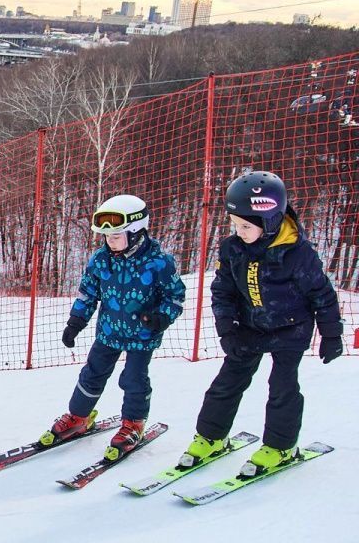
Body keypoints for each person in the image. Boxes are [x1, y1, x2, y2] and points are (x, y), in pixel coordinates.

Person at [182, 171, 343, 476]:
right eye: (235, 225)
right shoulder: (233, 249)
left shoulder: (298, 254)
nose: (238, 231)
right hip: (250, 326)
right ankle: (211, 438)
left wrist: (331, 335)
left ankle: (280, 446)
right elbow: (223, 291)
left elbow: (322, 295)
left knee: (282, 387)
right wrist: (227, 328)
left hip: (291, 329)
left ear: (269, 220)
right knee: (227, 382)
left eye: (245, 226)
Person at [44, 195, 186, 461]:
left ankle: (133, 423)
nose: (110, 241)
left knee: (133, 379)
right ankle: (78, 416)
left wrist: (161, 317)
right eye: (107, 237)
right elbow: (88, 293)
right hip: (109, 331)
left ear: (136, 232)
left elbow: (175, 296)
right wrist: (75, 322)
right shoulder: (101, 259)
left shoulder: (158, 262)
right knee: (92, 374)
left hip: (142, 335)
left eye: (117, 236)